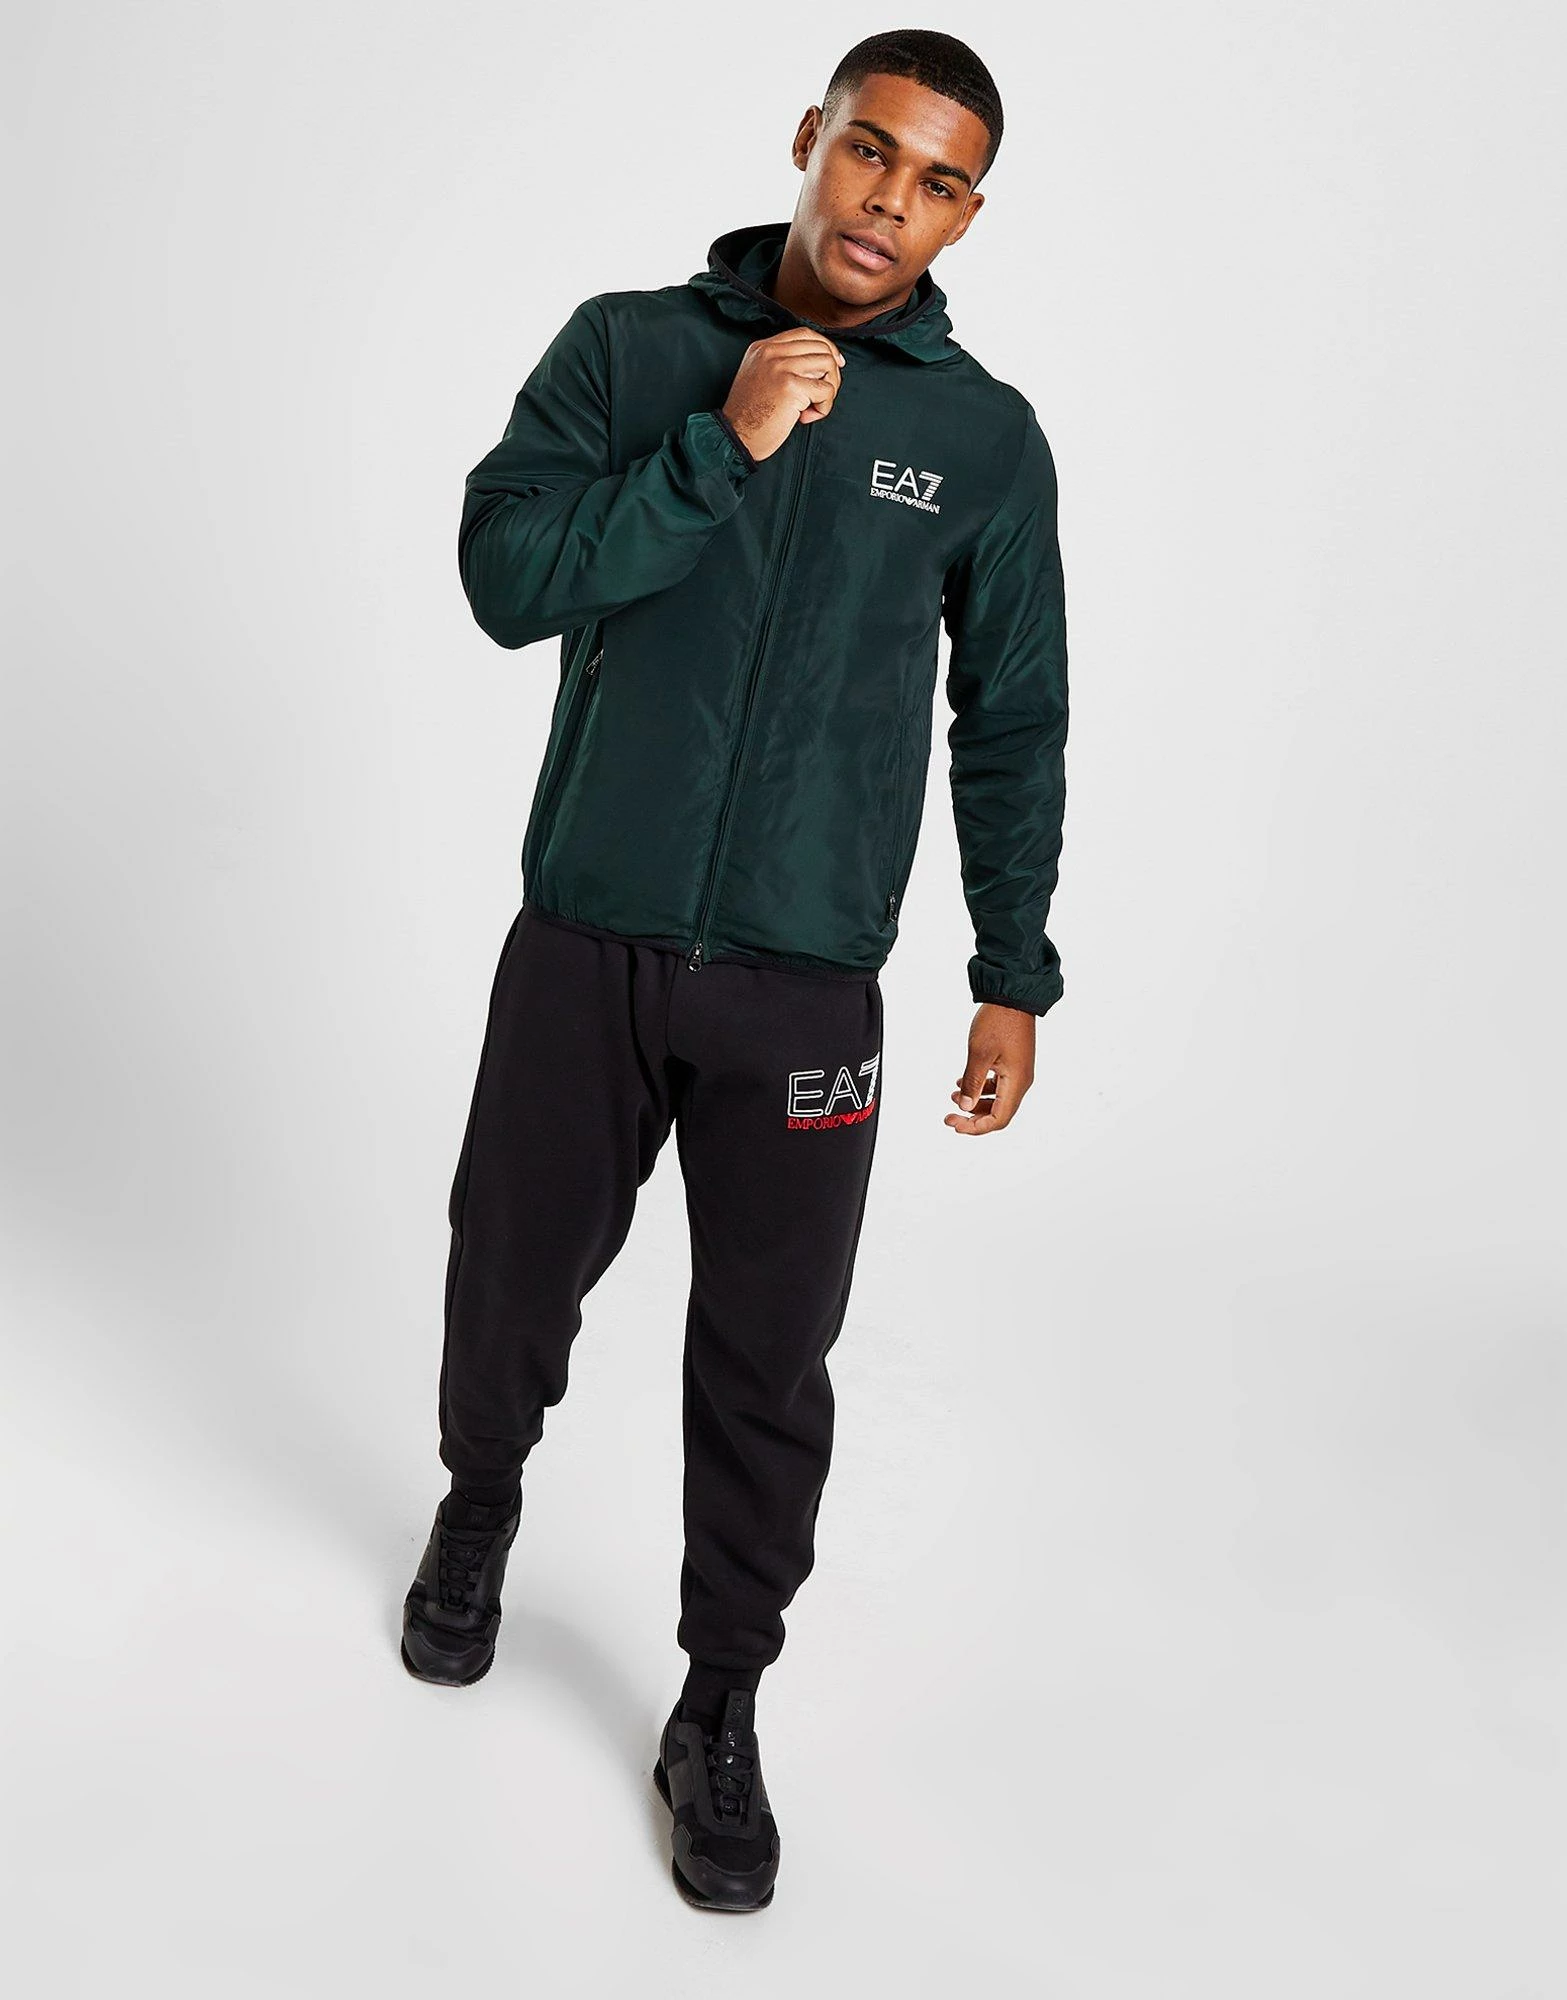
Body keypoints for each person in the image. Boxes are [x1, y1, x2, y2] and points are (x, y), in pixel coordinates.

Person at [401, 27, 1069, 1912]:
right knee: (509, 1270)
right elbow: (507, 577)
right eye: (870, 152)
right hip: (587, 941)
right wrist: (719, 446)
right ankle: (478, 1505)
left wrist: (1009, 967)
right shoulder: (629, 351)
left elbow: (1012, 714)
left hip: (802, 988)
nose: (889, 203)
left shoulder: (984, 442)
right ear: (809, 139)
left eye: (938, 182)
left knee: (771, 1359)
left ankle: (719, 1701)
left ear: (966, 215)